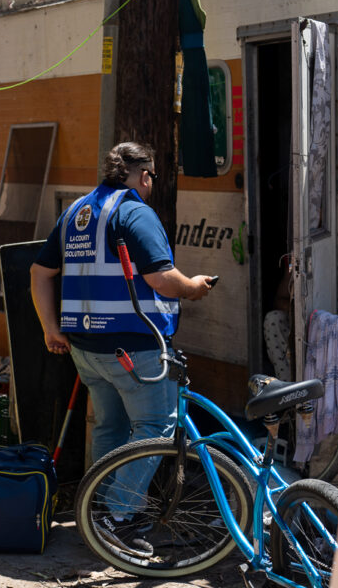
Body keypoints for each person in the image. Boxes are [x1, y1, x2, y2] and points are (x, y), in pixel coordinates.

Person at [30, 141, 213, 555]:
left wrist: (50, 329)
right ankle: (118, 518)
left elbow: (40, 272)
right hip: (133, 347)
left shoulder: (77, 212)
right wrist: (194, 287)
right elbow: (162, 280)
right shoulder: (134, 212)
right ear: (144, 176)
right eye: (151, 178)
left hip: (85, 349)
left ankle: (97, 514)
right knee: (155, 427)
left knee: (110, 426)